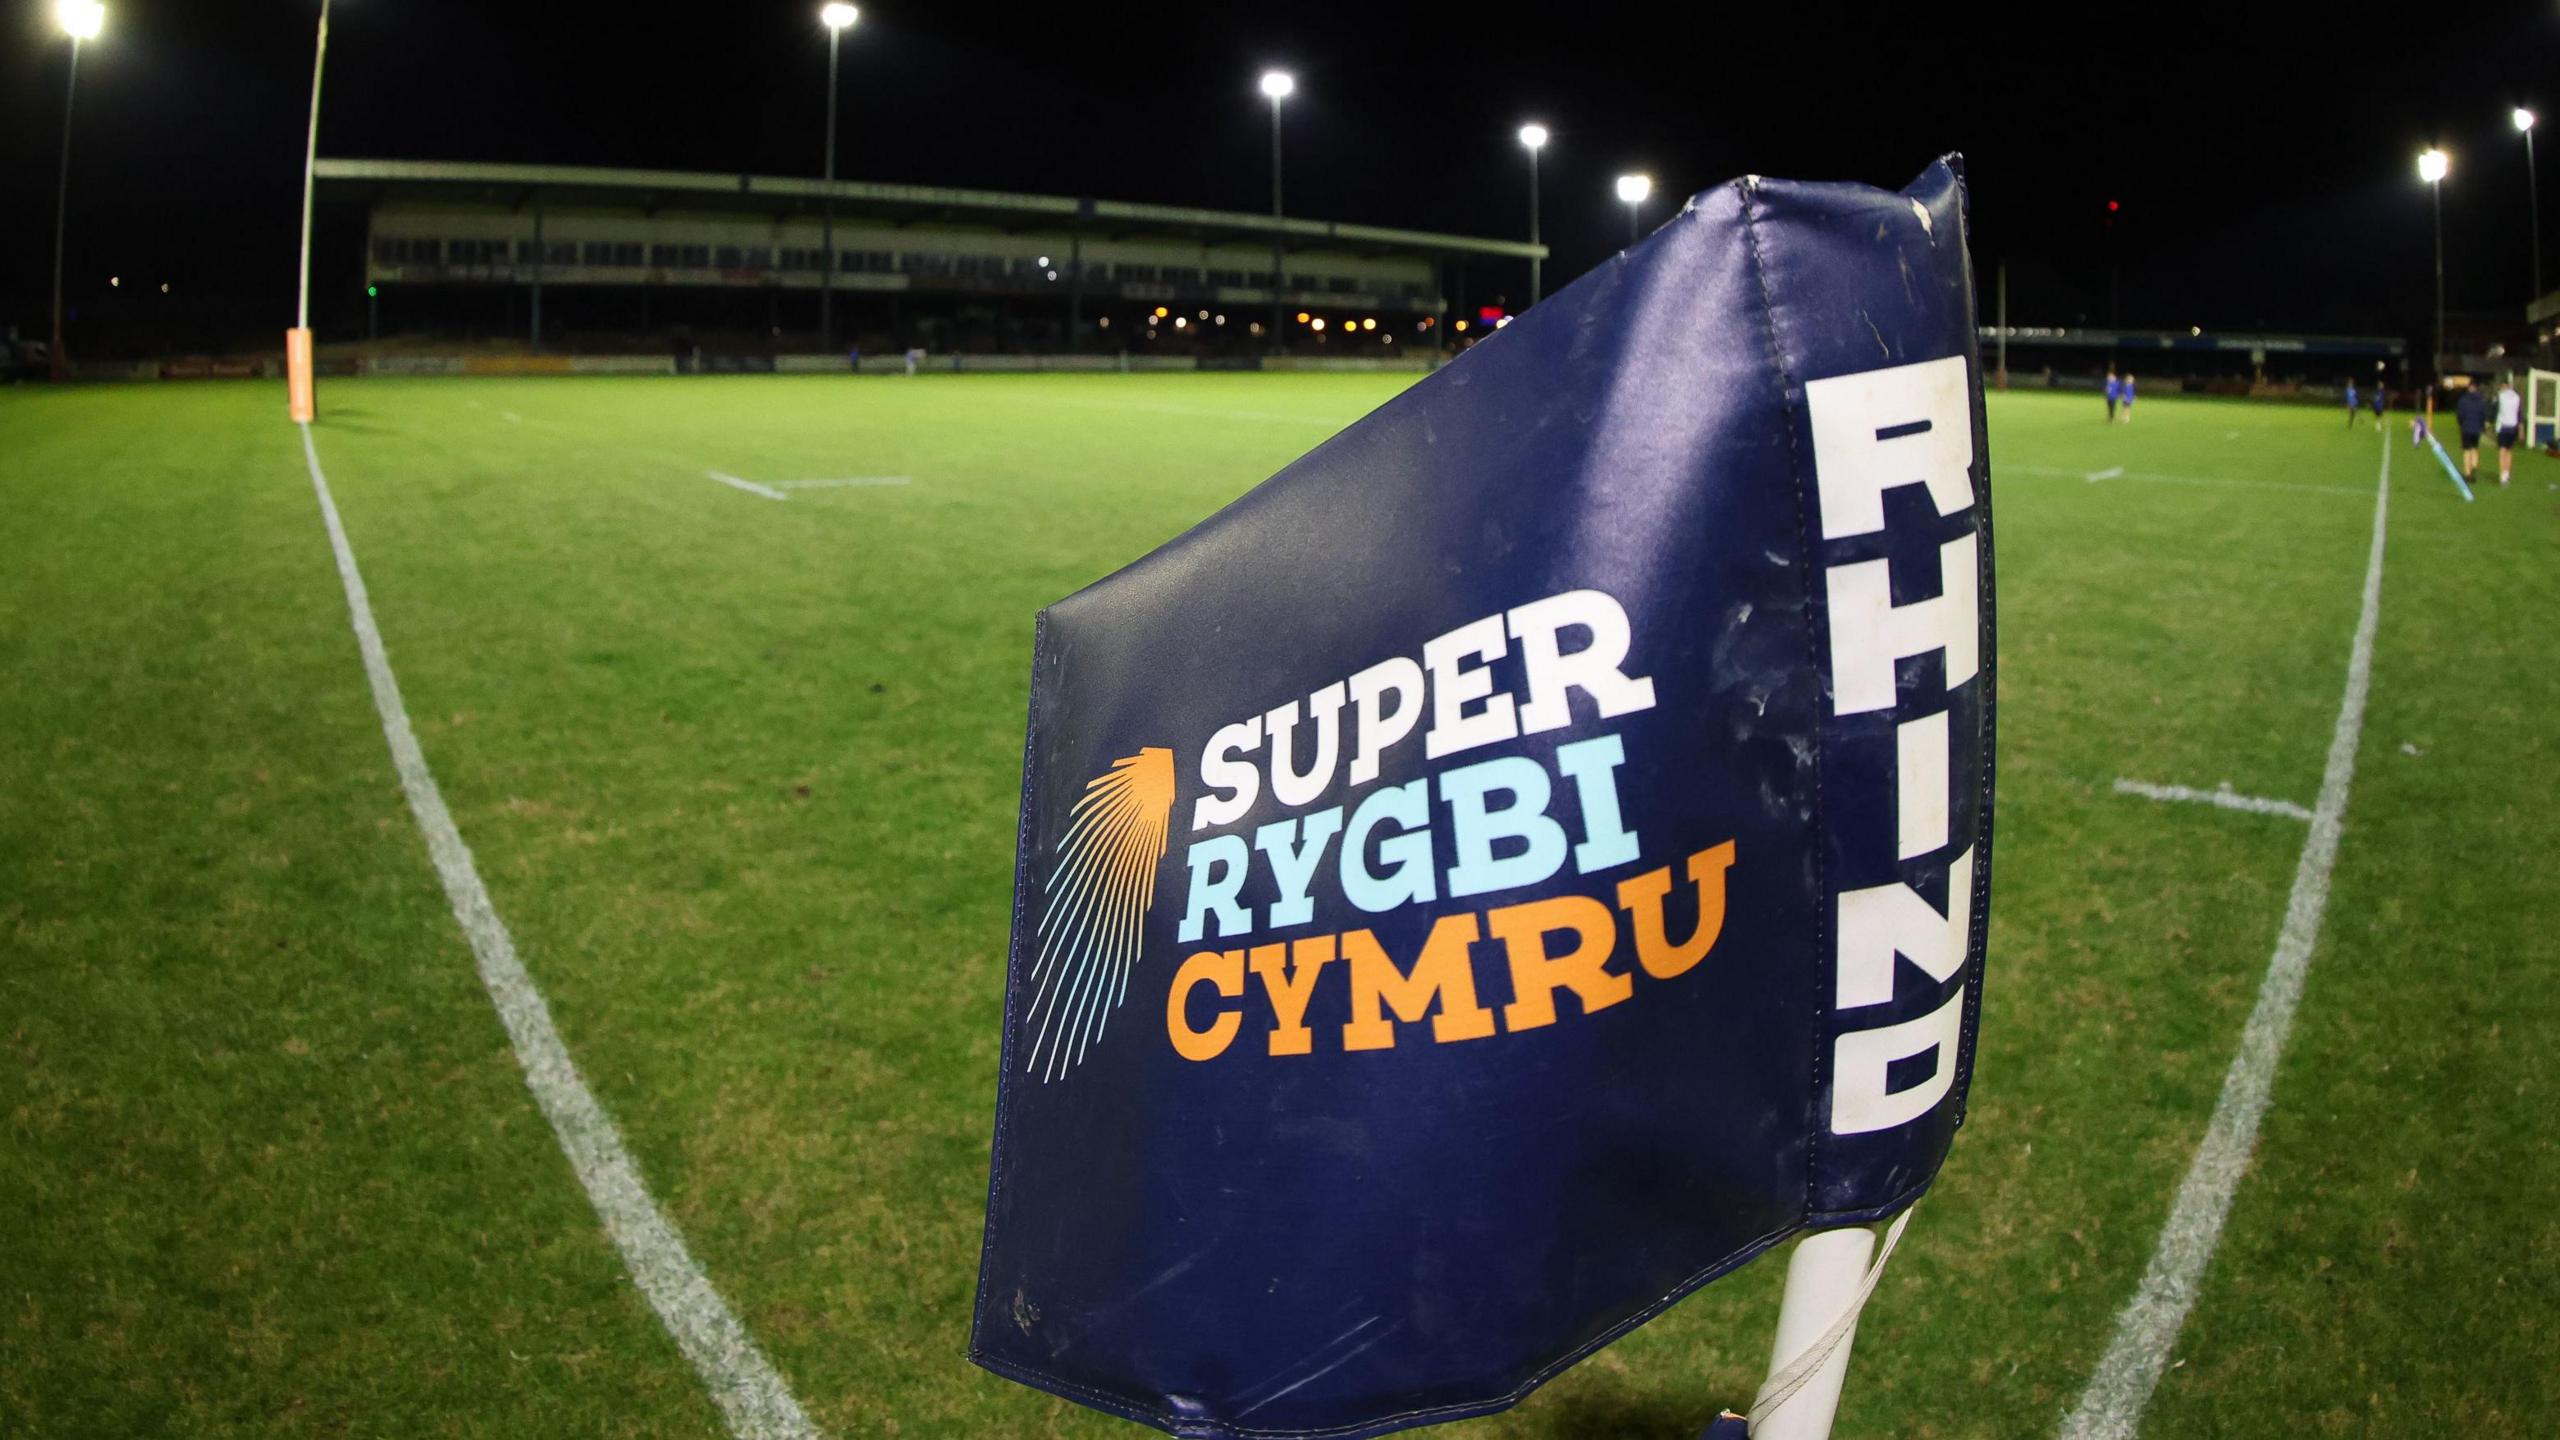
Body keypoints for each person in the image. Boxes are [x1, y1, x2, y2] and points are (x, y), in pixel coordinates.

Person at [2454, 381, 2488, 480]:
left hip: (2466, 428)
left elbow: (2460, 414)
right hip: (2476, 429)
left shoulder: (2463, 400)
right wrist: (2482, 426)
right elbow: (2483, 414)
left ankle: (2468, 473)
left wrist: (2461, 424)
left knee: (2467, 450)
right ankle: (2474, 465)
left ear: (2469, 388)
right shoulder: (2481, 400)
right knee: (2474, 448)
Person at [2494, 374, 2523, 486]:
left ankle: (2502, 476)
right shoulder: (2516, 397)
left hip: (2503, 427)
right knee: (2509, 451)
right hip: (2513, 427)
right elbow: (2519, 413)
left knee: (2502, 451)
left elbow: (2495, 409)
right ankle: (2507, 474)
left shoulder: (2500, 396)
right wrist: (2520, 429)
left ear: (2503, 385)